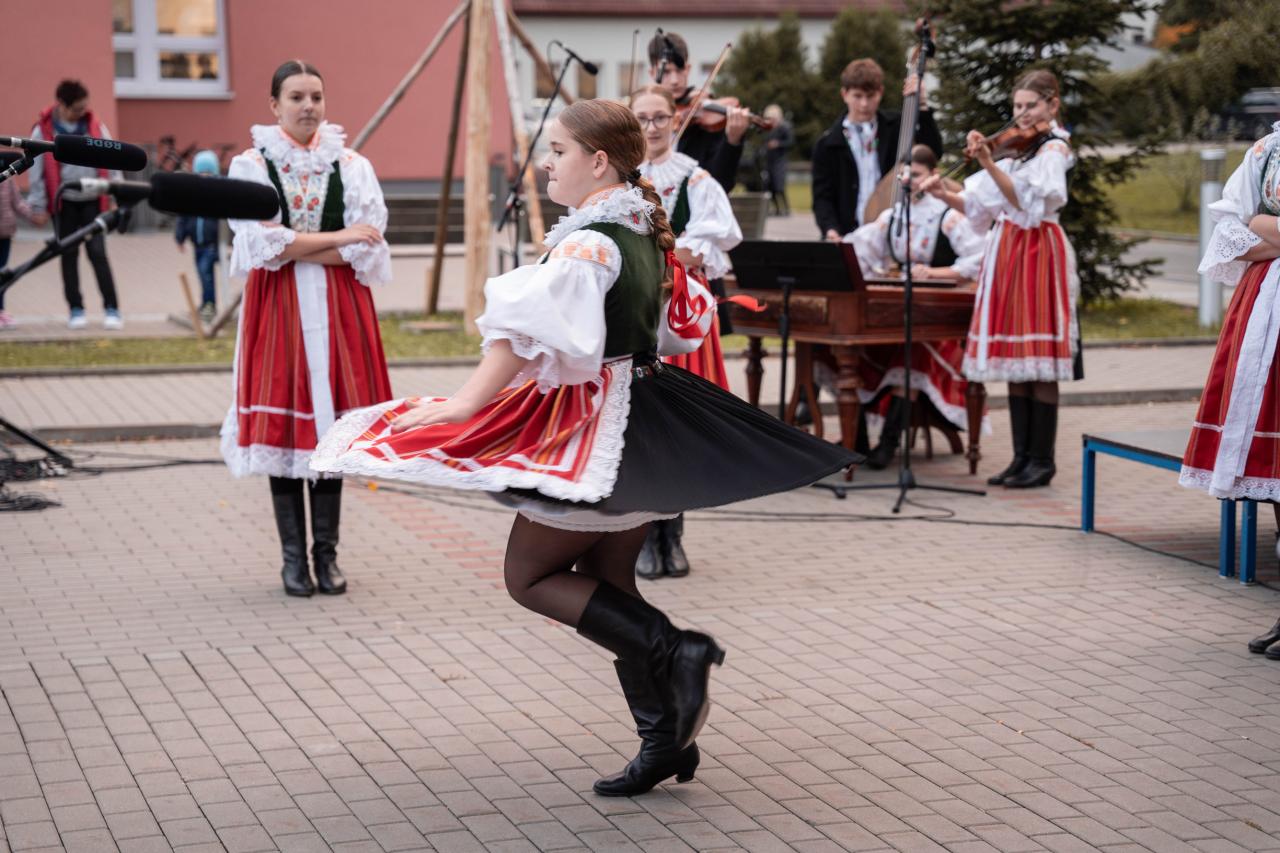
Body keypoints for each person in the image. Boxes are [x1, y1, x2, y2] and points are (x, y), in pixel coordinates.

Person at [310, 99, 858, 797]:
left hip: (595, 423)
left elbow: (527, 331)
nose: (546, 164)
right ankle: (664, 738)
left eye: (558, 150)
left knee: (528, 576)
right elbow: (680, 329)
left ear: (599, 162)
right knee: (610, 580)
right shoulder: (642, 230)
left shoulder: (591, 242)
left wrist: (466, 404)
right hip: (642, 414)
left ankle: (676, 648)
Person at [221, 60, 393, 598]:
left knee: (330, 429)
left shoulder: (351, 164)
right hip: (279, 309)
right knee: (286, 429)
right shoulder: (250, 165)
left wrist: (295, 244)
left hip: (341, 307)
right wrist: (337, 238)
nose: (308, 106)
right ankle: (293, 561)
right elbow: (260, 246)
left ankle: (327, 556)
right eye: (296, 97)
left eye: (316, 96)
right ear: (274, 105)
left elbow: (367, 247)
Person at [921, 69, 1079, 489]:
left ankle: (1041, 460)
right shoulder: (1017, 152)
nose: (1022, 115)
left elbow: (1026, 201)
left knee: (1038, 358)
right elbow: (981, 206)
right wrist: (943, 195)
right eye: (1017, 107)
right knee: (1016, 360)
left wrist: (990, 163)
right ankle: (1020, 457)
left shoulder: (1053, 149)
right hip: (1008, 249)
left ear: (1052, 105)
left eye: (1031, 106)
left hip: (1038, 249)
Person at [1175, 122, 1280, 657]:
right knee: (1277, 477)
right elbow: (1229, 223)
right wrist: (1260, 224)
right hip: (1264, 308)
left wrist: (1264, 224)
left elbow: (1252, 222)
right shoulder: (1267, 149)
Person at [631, 84, 743, 580]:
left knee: (676, 426)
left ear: (675, 121)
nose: (652, 127)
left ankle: (672, 534)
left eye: (660, 117)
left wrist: (660, 253)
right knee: (640, 426)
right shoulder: (618, 181)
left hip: (679, 314)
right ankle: (643, 536)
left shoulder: (695, 179)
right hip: (634, 311)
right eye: (642, 118)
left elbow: (707, 246)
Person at [846, 144, 990, 469]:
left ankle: (888, 442)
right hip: (901, 313)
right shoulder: (893, 216)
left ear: (934, 175)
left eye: (917, 174)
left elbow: (981, 255)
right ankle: (857, 441)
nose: (909, 180)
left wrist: (938, 273)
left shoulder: (948, 216)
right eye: (905, 174)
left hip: (939, 321)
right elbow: (862, 248)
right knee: (854, 352)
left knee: (914, 353)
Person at [27, 79, 124, 331]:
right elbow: (36, 171)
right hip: (64, 203)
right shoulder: (44, 130)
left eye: (84, 107)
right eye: (77, 109)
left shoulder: (94, 126)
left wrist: (117, 195)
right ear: (62, 104)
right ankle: (76, 309)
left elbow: (113, 158)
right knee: (68, 254)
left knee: (98, 253)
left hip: (93, 200)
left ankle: (112, 309)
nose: (82, 112)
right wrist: (37, 205)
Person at [811, 59, 943, 240]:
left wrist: (922, 106)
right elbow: (822, 197)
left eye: (870, 96)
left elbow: (933, 152)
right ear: (844, 94)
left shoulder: (897, 127)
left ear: (880, 92)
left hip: (892, 234)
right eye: (857, 96)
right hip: (849, 235)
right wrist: (830, 229)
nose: (864, 104)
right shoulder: (827, 144)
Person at [647, 31, 749, 193]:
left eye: (680, 70)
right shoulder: (641, 122)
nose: (675, 80)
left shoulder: (705, 121)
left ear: (688, 69)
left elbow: (720, 185)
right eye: (666, 72)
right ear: (652, 73)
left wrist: (732, 141)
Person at [174, 150, 222, 323]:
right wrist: (180, 238)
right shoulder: (192, 195)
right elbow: (183, 217)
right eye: (202, 172)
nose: (205, 176)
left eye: (209, 172)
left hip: (212, 244)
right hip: (197, 245)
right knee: (203, 275)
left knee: (206, 274)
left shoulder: (218, 194)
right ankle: (205, 303)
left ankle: (210, 305)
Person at [0, 152, 36, 331]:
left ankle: (1, 311)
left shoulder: (7, 180)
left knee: (2, 273)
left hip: (5, 234)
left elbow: (18, 203)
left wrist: (33, 216)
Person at [762, 105, 792, 216]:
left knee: (779, 186)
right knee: (769, 186)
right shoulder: (768, 130)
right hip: (769, 161)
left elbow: (790, 142)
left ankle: (786, 208)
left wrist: (778, 144)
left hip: (780, 161)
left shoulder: (784, 128)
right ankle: (777, 208)